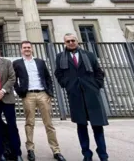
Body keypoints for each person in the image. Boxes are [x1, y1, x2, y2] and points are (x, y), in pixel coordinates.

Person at [54, 33, 108, 161]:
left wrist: (96, 86)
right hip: (75, 95)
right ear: (64, 43)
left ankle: (103, 155)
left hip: (92, 94)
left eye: (73, 40)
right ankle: (87, 155)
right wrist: (67, 85)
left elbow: (98, 71)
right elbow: (58, 73)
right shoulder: (60, 57)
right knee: (81, 127)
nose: (71, 43)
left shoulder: (88, 55)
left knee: (97, 127)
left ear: (77, 41)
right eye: (68, 41)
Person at [13, 41, 66, 161]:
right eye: (24, 47)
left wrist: (49, 93)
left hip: (42, 94)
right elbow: (14, 79)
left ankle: (56, 150)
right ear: (21, 49)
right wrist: (20, 91)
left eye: (28, 47)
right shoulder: (17, 63)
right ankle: (30, 149)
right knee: (29, 123)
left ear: (32, 49)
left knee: (49, 124)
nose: (27, 49)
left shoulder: (40, 62)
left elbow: (48, 78)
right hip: (28, 95)